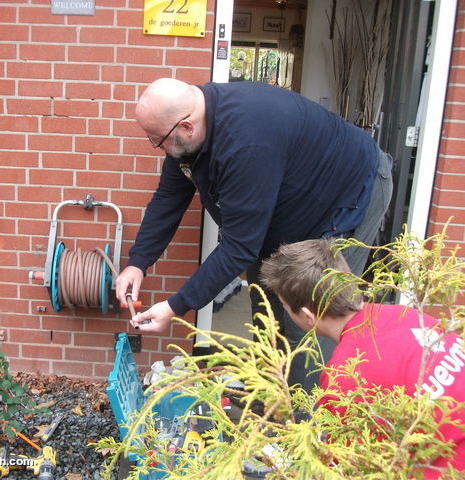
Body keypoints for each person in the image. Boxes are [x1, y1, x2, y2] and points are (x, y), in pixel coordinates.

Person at [115, 78, 393, 357]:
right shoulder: (191, 127)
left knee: (312, 322)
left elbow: (239, 248)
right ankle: (269, 395)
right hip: (285, 210)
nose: (155, 145)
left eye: (157, 140)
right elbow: (168, 198)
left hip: (348, 195)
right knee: (268, 317)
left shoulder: (246, 142)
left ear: (186, 127)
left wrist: (176, 305)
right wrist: (138, 263)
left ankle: (308, 400)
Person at [260, 238, 465, 476]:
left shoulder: (346, 374)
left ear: (308, 315)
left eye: (285, 306)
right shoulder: (404, 314)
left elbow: (351, 467)